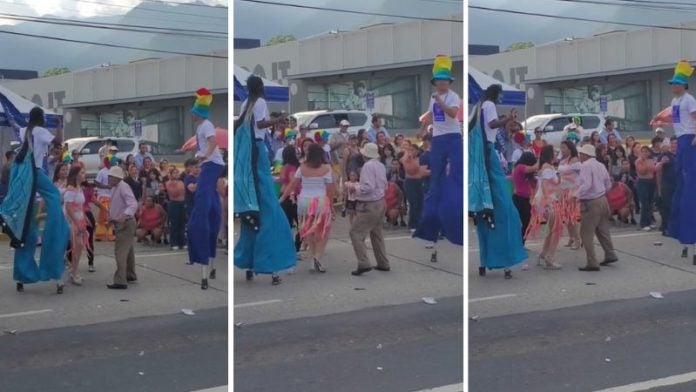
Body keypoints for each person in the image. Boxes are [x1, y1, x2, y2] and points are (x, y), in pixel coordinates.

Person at [234, 75, 296, 286]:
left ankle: (250, 264)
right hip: (257, 154)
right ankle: (272, 267)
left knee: (253, 218)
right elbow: (260, 124)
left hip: (248, 159)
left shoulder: (245, 103)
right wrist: (277, 120)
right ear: (260, 87)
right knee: (271, 214)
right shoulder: (259, 102)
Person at [0, 108, 69, 294]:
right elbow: (59, 142)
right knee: (54, 197)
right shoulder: (40, 131)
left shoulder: (24, 130)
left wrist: (10, 117)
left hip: (23, 176)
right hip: (35, 173)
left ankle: (22, 276)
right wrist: (60, 125)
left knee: (26, 231)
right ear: (40, 119)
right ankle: (56, 229)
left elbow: (15, 125)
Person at [470, 84, 527, 279]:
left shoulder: (478, 106)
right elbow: (493, 124)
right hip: (488, 153)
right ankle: (505, 260)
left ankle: (486, 261)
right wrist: (508, 118)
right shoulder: (489, 105)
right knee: (506, 209)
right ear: (497, 94)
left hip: (481, 154)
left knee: (490, 209)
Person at [413, 55, 463, 251]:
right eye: (438, 80)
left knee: (456, 177)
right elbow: (432, 114)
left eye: (444, 80)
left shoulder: (452, 96)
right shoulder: (432, 97)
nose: (441, 83)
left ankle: (456, 223)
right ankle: (429, 231)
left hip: (453, 136)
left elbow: (452, 114)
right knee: (435, 182)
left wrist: (440, 100)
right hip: (439, 139)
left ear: (448, 82)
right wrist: (423, 128)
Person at [185, 88, 226, 289]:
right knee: (208, 203)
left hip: (212, 164)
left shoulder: (206, 124)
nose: (191, 114)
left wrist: (205, 156)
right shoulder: (201, 126)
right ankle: (209, 263)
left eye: (193, 111)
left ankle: (198, 229)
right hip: (209, 165)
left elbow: (213, 142)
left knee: (202, 207)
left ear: (198, 113)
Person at [280, 143, 336, 273]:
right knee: (323, 231)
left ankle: (312, 259)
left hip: (304, 202)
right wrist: (331, 206)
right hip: (321, 201)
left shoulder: (302, 168)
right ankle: (318, 257)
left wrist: (282, 198)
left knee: (309, 231)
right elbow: (330, 189)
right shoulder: (327, 168)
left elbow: (292, 184)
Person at [348, 143, 389, 276]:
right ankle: (383, 262)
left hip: (369, 204)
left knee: (355, 233)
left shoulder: (367, 166)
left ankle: (363, 263)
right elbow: (384, 184)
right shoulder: (380, 165)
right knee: (377, 233)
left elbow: (368, 187)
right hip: (380, 201)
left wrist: (355, 188)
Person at [577, 144, 617, 271]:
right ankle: (610, 253)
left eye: (581, 154)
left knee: (586, 233)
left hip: (591, 202)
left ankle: (592, 261)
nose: (579, 156)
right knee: (603, 230)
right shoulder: (600, 165)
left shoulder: (585, 166)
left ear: (585, 155)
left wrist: (576, 195)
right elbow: (608, 183)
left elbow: (586, 185)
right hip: (602, 199)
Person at [525, 145, 564, 269]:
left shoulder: (546, 168)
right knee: (556, 229)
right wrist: (550, 203)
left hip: (547, 201)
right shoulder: (547, 169)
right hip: (548, 202)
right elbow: (545, 188)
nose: (557, 153)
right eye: (555, 152)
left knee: (553, 228)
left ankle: (544, 253)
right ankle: (549, 257)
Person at [106, 166, 138, 289]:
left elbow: (133, 204)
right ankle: (130, 274)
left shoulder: (123, 187)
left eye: (110, 177)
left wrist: (124, 216)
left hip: (126, 222)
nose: (108, 179)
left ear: (116, 178)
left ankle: (120, 280)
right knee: (128, 250)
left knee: (120, 251)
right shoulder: (116, 187)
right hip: (123, 221)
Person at [63, 166, 90, 286]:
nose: (85, 174)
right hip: (73, 221)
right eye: (82, 173)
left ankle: (74, 271)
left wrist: (85, 218)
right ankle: (73, 273)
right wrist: (76, 222)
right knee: (77, 246)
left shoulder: (79, 188)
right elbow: (68, 208)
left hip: (80, 219)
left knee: (79, 247)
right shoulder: (71, 189)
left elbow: (80, 206)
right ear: (76, 175)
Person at [558, 141, 582, 250]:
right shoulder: (562, 160)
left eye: (564, 147)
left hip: (573, 191)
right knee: (566, 217)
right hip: (563, 190)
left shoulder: (575, 160)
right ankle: (571, 237)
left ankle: (578, 240)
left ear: (570, 148)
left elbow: (582, 175)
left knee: (572, 217)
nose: (562, 150)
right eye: (561, 148)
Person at [510, 151, 537, 245]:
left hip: (524, 199)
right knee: (522, 222)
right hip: (518, 199)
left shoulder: (525, 172)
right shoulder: (520, 167)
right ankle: (518, 243)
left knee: (526, 222)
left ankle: (521, 242)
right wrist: (543, 160)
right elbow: (533, 168)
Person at [279, 145, 302, 253]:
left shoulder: (287, 167)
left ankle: (291, 245)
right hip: (290, 196)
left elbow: (288, 182)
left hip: (287, 196)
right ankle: (294, 246)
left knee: (289, 222)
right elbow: (290, 182)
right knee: (297, 222)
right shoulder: (290, 167)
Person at [400, 141, 427, 231]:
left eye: (414, 150)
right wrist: (409, 156)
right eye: (411, 149)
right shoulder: (406, 158)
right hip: (410, 182)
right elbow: (411, 170)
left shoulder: (421, 158)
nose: (412, 151)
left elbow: (423, 170)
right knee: (414, 202)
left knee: (420, 203)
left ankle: (419, 222)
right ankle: (412, 224)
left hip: (419, 181)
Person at [657, 138, 678, 235]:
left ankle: (674, 227)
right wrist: (662, 163)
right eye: (673, 143)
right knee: (667, 207)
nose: (675, 145)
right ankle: (665, 228)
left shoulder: (679, 154)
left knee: (676, 206)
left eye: (676, 143)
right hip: (667, 185)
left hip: (678, 185)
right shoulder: (665, 155)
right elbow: (657, 169)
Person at [95, 155, 118, 241]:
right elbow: (97, 183)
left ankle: (109, 234)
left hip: (112, 196)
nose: (114, 163)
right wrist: (106, 186)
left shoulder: (115, 171)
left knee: (110, 215)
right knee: (104, 216)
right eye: (112, 161)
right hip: (103, 196)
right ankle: (100, 234)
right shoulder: (102, 172)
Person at [635, 145, 657, 231]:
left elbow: (654, 170)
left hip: (651, 182)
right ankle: (643, 223)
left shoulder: (652, 160)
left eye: (646, 151)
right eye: (643, 151)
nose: (645, 153)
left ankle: (649, 222)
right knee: (645, 204)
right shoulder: (638, 161)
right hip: (642, 182)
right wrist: (644, 161)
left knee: (650, 203)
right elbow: (642, 171)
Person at [166, 167, 186, 250]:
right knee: (174, 224)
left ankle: (182, 242)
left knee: (182, 224)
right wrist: (175, 185)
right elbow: (174, 194)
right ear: (170, 175)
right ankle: (174, 242)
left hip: (182, 203)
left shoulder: (181, 182)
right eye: (174, 173)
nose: (177, 174)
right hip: (174, 204)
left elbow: (183, 192)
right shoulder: (168, 183)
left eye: (177, 173)